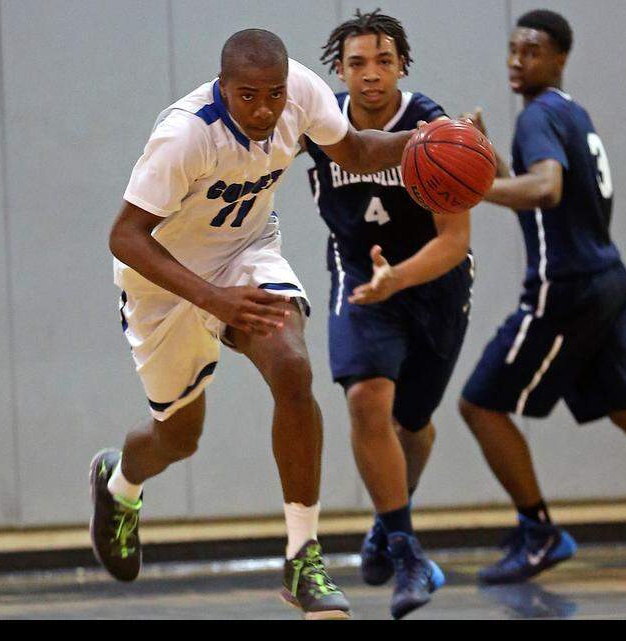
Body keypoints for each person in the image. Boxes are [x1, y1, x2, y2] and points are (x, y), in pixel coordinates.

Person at [93, 28, 414, 620]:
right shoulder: (185, 135)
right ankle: (120, 484)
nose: (265, 109)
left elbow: (360, 153)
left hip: (246, 255)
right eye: (248, 96)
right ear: (224, 88)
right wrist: (211, 298)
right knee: (177, 439)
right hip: (164, 283)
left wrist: (424, 142)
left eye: (274, 93)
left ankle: (301, 557)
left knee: (293, 369)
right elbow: (124, 236)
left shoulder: (302, 96)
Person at [301, 9, 472, 619]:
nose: (370, 74)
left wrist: (400, 276)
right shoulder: (319, 123)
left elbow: (454, 239)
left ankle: (385, 517)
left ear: (401, 65)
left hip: (433, 283)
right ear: (338, 71)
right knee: (366, 398)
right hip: (357, 276)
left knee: (414, 423)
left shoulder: (433, 125)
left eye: (383, 61)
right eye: (356, 63)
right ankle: (406, 551)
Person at [459, 10, 626, 584]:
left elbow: (546, 189)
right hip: (605, 278)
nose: (517, 59)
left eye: (531, 51)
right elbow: (539, 184)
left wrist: (473, 185)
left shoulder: (536, 116)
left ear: (559, 58)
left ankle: (539, 533)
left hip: (568, 289)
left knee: (480, 404)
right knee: (624, 405)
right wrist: (491, 161)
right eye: (513, 49)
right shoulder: (569, 113)